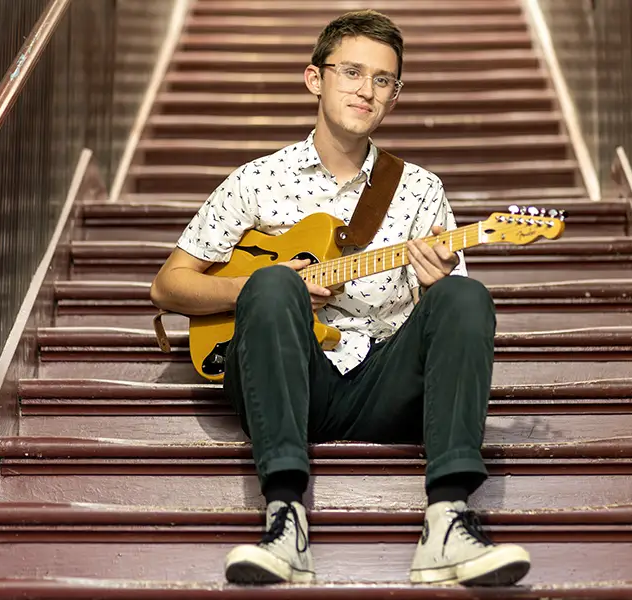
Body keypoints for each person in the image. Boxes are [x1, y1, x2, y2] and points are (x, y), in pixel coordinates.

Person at [149, 9, 531, 587]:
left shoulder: (421, 190)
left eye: (383, 80)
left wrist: (437, 284)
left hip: (387, 384)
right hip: (288, 380)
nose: (366, 89)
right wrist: (257, 286)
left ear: (394, 97)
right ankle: (284, 520)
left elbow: (448, 314)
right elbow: (167, 285)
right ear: (315, 79)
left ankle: (449, 522)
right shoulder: (257, 181)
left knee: (465, 296)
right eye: (352, 72)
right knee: (274, 281)